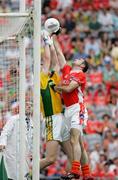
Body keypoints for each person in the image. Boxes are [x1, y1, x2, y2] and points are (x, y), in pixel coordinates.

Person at [52, 34, 94, 180]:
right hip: (69, 110)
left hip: (78, 108)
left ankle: (75, 171)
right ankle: (87, 174)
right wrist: (53, 38)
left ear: (83, 66)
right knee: (79, 144)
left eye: (80, 59)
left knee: (74, 140)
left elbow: (69, 89)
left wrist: (57, 88)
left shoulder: (81, 74)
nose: (77, 58)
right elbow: (59, 53)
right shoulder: (68, 71)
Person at [40, 30, 73, 171]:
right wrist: (46, 41)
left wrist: (52, 39)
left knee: (73, 157)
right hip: (51, 119)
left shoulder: (54, 77)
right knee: (51, 159)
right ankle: (25, 173)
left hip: (61, 117)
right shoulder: (41, 79)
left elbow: (54, 60)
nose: (46, 66)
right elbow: (47, 60)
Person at [0, 102, 32, 180]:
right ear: (19, 109)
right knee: (11, 176)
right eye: (26, 105)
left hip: (24, 155)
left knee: (23, 176)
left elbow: (30, 139)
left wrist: (31, 151)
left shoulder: (32, 122)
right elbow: (5, 132)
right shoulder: (13, 119)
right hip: (13, 154)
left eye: (30, 105)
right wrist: (2, 143)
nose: (29, 107)